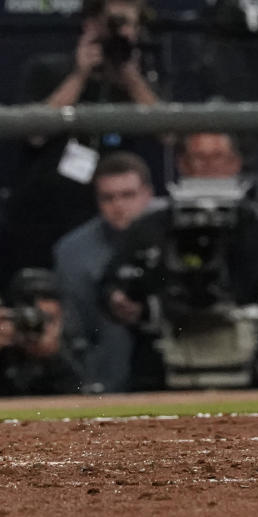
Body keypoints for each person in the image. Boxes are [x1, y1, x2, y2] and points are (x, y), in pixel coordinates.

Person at [100, 132, 258, 389]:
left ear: (235, 162)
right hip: (163, 360)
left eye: (217, 156)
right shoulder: (150, 227)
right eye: (199, 157)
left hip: (242, 356)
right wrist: (119, 299)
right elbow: (112, 284)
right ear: (183, 164)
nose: (209, 165)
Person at [0, 0, 159, 284]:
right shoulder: (48, 69)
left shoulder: (141, 78)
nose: (121, 32)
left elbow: (167, 133)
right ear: (90, 25)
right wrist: (80, 75)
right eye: (113, 22)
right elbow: (35, 133)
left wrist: (130, 78)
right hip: (46, 210)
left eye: (128, 24)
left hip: (110, 214)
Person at [53, 151, 155, 391]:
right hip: (106, 367)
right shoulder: (73, 252)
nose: (118, 206)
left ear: (147, 194)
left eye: (128, 195)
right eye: (108, 198)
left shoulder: (177, 228)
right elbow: (74, 330)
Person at [0, 267, 83, 396]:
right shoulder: (7, 333)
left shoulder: (75, 339)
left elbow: (84, 390)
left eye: (47, 296)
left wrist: (54, 356)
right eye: (28, 299)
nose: (39, 305)